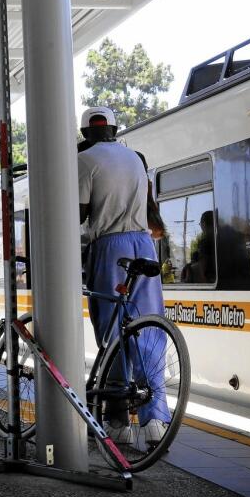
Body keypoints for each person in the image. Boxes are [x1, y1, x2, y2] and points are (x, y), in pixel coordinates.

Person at [77, 105, 169, 442]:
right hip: (144, 245)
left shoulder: (84, 160)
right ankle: (155, 420)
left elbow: (80, 213)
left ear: (85, 133)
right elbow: (153, 216)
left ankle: (118, 423)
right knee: (147, 329)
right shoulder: (135, 160)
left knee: (113, 333)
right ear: (115, 130)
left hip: (110, 249)